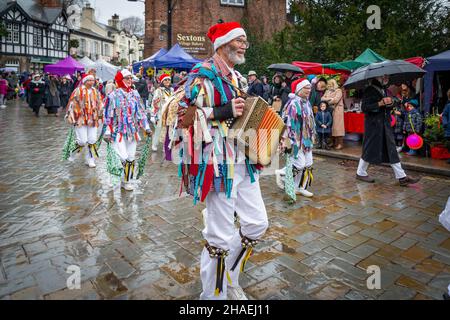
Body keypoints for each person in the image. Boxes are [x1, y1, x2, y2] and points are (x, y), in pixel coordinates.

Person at [165, 21, 268, 300]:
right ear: (223, 44)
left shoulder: (238, 78)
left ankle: (229, 276)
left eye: (246, 39)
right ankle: (213, 296)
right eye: (240, 39)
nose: (245, 44)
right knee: (219, 236)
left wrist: (266, 132)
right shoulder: (202, 75)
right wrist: (218, 111)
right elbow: (180, 117)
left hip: (244, 160)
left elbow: (243, 117)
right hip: (217, 163)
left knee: (257, 224)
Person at [356, 75, 420, 186]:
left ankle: (402, 177)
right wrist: (380, 103)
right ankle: (360, 172)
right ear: (377, 77)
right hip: (374, 125)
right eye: (384, 76)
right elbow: (365, 107)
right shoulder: (370, 89)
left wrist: (390, 104)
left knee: (391, 150)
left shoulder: (383, 89)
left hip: (384, 124)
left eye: (387, 76)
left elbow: (387, 105)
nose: (386, 78)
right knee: (369, 148)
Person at [103, 69, 152, 191]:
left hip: (132, 131)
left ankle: (126, 181)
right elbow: (108, 115)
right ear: (120, 80)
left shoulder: (135, 94)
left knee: (130, 157)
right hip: (117, 131)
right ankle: (113, 174)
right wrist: (108, 131)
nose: (130, 81)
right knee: (123, 156)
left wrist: (146, 127)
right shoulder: (113, 96)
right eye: (127, 78)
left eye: (131, 78)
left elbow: (140, 112)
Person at [276, 78, 316, 198]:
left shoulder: (307, 103)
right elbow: (287, 122)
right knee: (299, 163)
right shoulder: (292, 104)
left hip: (306, 139)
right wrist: (290, 140)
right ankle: (282, 173)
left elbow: (310, 121)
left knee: (308, 163)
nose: (309, 90)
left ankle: (299, 187)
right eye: (306, 88)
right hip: (296, 139)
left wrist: (312, 134)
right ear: (299, 90)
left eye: (310, 88)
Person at [65, 74, 104, 168]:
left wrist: (101, 114)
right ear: (85, 81)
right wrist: (71, 116)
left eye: (93, 80)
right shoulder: (78, 91)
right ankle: (73, 153)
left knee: (92, 140)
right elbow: (72, 104)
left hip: (92, 119)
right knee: (82, 141)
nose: (91, 82)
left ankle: (90, 159)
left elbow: (100, 103)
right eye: (89, 80)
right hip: (81, 119)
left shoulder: (95, 91)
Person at [151, 73, 174, 152]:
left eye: (169, 80)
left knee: (168, 130)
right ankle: (154, 144)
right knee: (158, 129)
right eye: (165, 80)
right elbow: (154, 103)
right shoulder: (159, 90)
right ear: (162, 81)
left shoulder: (172, 90)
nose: (167, 81)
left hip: (170, 114)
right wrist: (153, 115)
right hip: (161, 113)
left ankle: (166, 145)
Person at [322, 79, 345, 150]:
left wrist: (327, 100)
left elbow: (336, 100)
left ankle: (340, 143)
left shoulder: (338, 90)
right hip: (330, 110)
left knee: (338, 127)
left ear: (334, 84)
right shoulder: (327, 91)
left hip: (337, 110)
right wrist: (330, 98)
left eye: (330, 85)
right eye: (328, 85)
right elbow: (322, 98)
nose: (329, 86)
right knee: (331, 126)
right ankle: (333, 142)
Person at [442, 89, 450, 164]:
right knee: (448, 144)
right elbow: (444, 115)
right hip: (449, 128)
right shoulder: (448, 106)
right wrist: (445, 123)